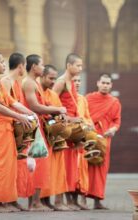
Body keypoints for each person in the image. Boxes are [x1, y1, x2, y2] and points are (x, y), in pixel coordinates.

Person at [0, 51, 33, 212]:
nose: (4, 64)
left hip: (7, 129)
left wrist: (30, 114)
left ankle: (8, 200)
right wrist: (19, 117)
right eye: (1, 61)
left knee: (10, 168)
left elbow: (12, 102)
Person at [21, 54, 66, 211]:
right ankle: (34, 203)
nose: (43, 67)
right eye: (41, 65)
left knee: (39, 164)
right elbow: (35, 106)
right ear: (34, 67)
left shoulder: (34, 83)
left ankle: (35, 202)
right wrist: (57, 109)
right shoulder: (28, 83)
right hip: (32, 128)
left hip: (38, 126)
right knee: (37, 163)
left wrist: (54, 114)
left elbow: (43, 105)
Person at [52, 53, 83, 210]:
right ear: (69, 65)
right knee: (61, 166)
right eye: (77, 65)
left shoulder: (71, 83)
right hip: (63, 129)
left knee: (69, 167)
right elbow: (51, 103)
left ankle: (66, 200)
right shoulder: (61, 82)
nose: (80, 68)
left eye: (81, 65)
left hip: (72, 132)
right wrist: (69, 119)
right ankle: (58, 201)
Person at [86, 74, 121, 209]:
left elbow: (116, 120)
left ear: (111, 85)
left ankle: (97, 200)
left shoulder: (114, 102)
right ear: (98, 83)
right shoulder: (88, 98)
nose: (105, 85)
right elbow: (83, 115)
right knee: (86, 166)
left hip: (105, 139)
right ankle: (81, 200)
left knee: (101, 168)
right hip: (89, 137)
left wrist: (113, 129)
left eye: (108, 83)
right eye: (103, 83)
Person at [39, 64, 71, 211]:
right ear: (42, 76)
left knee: (58, 170)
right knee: (43, 169)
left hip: (54, 137)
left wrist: (63, 118)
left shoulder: (52, 95)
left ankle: (55, 201)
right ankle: (42, 201)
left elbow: (60, 113)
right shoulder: (37, 91)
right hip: (41, 135)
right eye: (50, 78)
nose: (53, 81)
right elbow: (36, 109)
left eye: (54, 78)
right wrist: (54, 113)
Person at [72, 74, 92, 210]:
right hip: (72, 139)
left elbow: (87, 117)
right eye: (74, 81)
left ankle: (81, 199)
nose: (77, 83)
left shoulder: (82, 99)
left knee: (82, 170)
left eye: (79, 80)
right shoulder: (66, 97)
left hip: (82, 138)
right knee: (72, 169)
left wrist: (89, 124)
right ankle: (71, 200)